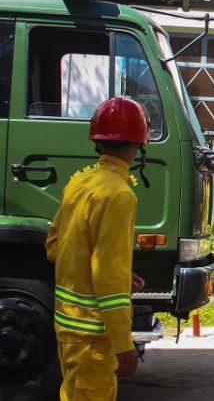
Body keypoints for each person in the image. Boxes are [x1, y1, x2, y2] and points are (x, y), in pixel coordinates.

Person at [46, 96, 148, 400]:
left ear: (97, 141)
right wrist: (123, 344)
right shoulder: (119, 195)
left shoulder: (79, 183)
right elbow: (108, 275)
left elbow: (54, 246)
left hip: (68, 327)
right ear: (140, 145)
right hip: (93, 335)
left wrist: (113, 277)